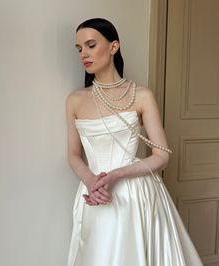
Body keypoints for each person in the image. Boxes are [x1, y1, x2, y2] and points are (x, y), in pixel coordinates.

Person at [66, 18, 203, 266]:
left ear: (113, 46)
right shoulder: (75, 100)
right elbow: (74, 154)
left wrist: (117, 175)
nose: (83, 54)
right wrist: (91, 182)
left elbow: (161, 156)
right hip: (93, 195)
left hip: (134, 194)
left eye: (90, 45)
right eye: (79, 49)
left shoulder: (142, 95)